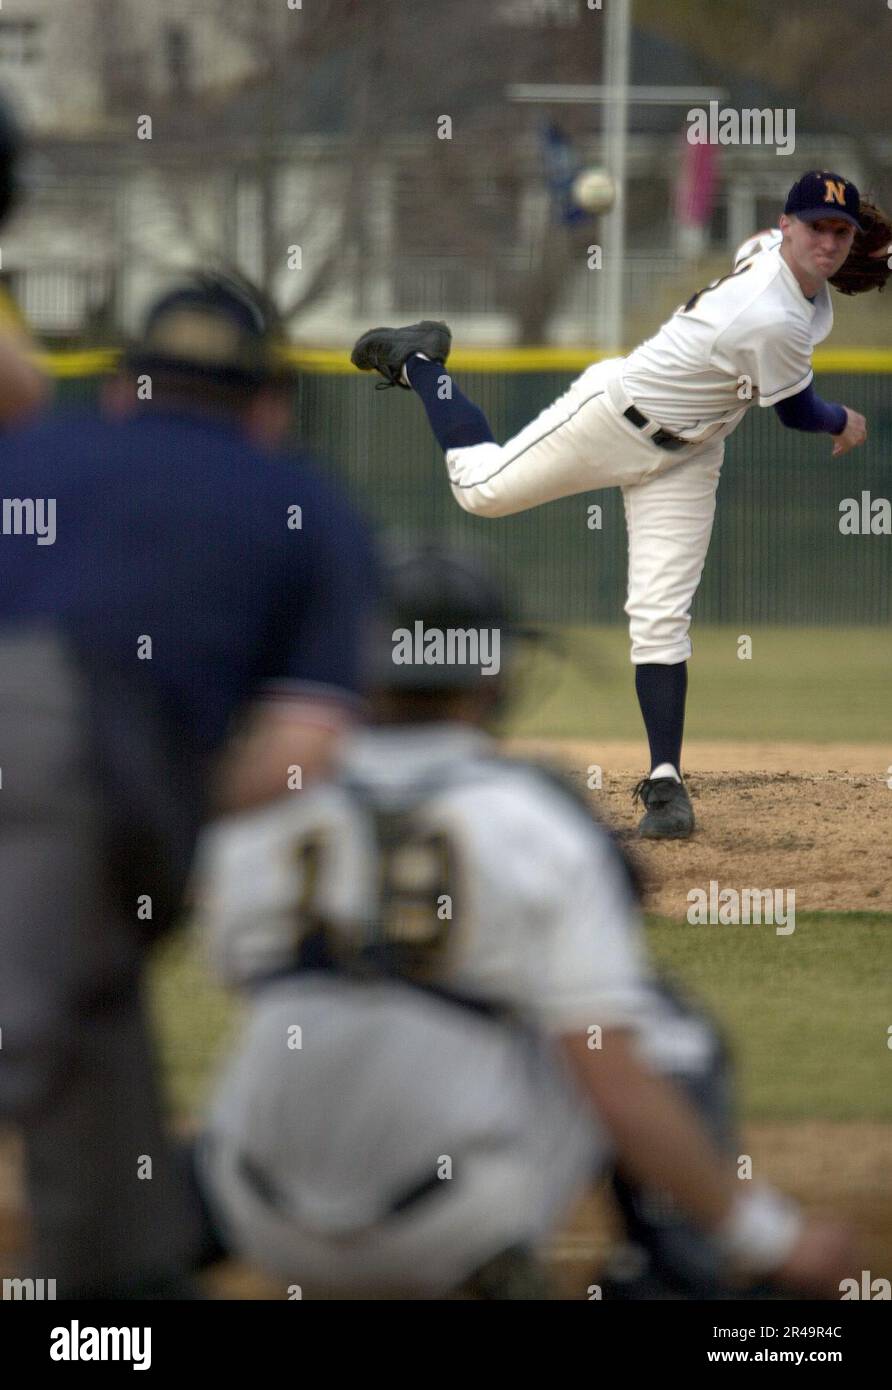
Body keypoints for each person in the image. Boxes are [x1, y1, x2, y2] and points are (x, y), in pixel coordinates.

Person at [193, 542, 855, 1299]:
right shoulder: (538, 817)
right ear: (495, 676)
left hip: (254, 1214)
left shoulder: (262, 815)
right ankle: (681, 1279)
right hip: (452, 1228)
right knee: (656, 1028)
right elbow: (608, 1072)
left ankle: (127, 1271)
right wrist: (773, 1237)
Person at [0, 272, 378, 1297]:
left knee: (86, 1016)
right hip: (69, 745)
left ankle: (117, 1291)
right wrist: (157, 799)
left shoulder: (33, 452)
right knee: (32, 1025)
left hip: (47, 734)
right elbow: (303, 742)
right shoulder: (308, 503)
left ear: (123, 388)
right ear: (268, 406)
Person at [350, 170, 874, 840]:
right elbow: (799, 412)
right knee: (478, 491)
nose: (828, 242)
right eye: (816, 227)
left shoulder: (771, 250)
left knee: (660, 615)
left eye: (841, 230)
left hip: (691, 452)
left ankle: (665, 785)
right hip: (616, 418)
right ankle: (422, 360)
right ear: (790, 225)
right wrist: (843, 421)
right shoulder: (767, 316)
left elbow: (754, 242)